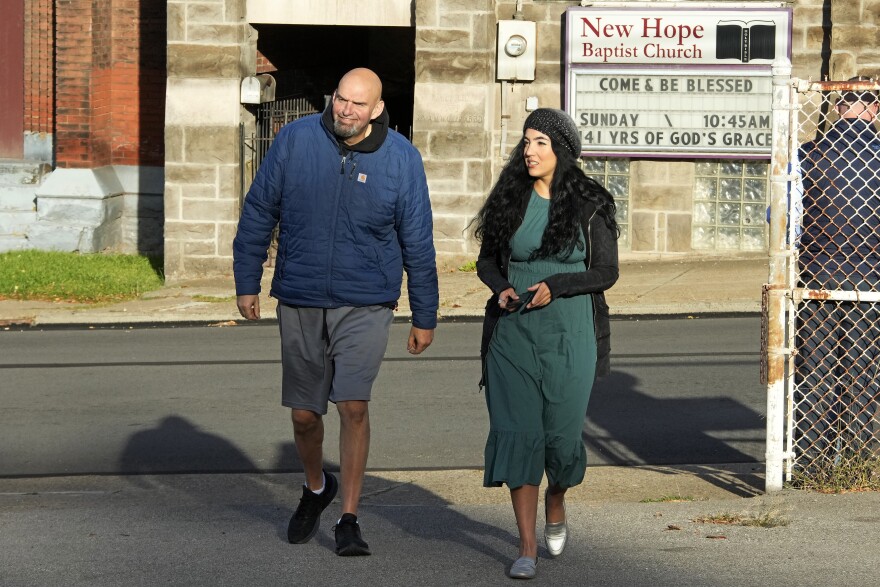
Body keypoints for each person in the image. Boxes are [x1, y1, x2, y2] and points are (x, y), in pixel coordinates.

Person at [233, 68, 438, 556]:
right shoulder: (295, 140)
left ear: (377, 110)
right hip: (301, 294)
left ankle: (349, 515)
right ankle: (316, 487)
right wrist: (247, 280)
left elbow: (418, 240)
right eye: (341, 99)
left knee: (353, 405)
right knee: (305, 415)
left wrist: (424, 313)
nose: (345, 110)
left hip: (366, 298)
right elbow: (260, 208)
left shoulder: (401, 159)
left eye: (357, 104)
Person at [473, 108, 619, 579]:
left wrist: (556, 285)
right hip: (512, 334)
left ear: (563, 152)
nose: (530, 151)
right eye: (527, 141)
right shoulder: (510, 196)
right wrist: (500, 287)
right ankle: (526, 545)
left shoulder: (590, 202)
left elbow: (606, 273)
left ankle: (556, 500)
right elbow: (487, 261)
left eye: (541, 143)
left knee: (559, 439)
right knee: (518, 435)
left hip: (570, 333)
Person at [796, 76, 880, 466]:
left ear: (835, 107)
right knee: (864, 367)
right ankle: (862, 454)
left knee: (816, 366)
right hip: (871, 274)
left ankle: (810, 454)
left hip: (818, 269)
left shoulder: (808, 154)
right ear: (875, 109)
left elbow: (782, 217)